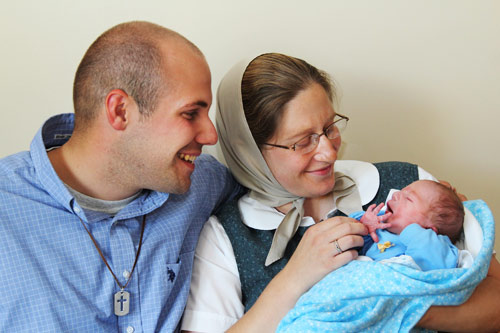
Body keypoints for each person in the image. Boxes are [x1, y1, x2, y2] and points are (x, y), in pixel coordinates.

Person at [181, 53, 500, 332]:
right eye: (303, 141)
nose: (330, 153)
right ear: (248, 151)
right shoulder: (224, 238)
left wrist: (383, 300)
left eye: (330, 128)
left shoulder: (409, 186)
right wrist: (295, 277)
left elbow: (495, 306)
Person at [0, 21, 240, 331]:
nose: (211, 136)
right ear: (120, 111)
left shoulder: (204, 182)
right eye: (191, 113)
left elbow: (272, 191)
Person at [354, 179, 464, 271]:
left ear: (428, 230)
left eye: (408, 199)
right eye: (401, 191)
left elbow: (440, 265)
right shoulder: (379, 224)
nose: (395, 194)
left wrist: (414, 231)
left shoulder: (431, 245)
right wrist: (365, 227)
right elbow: (349, 242)